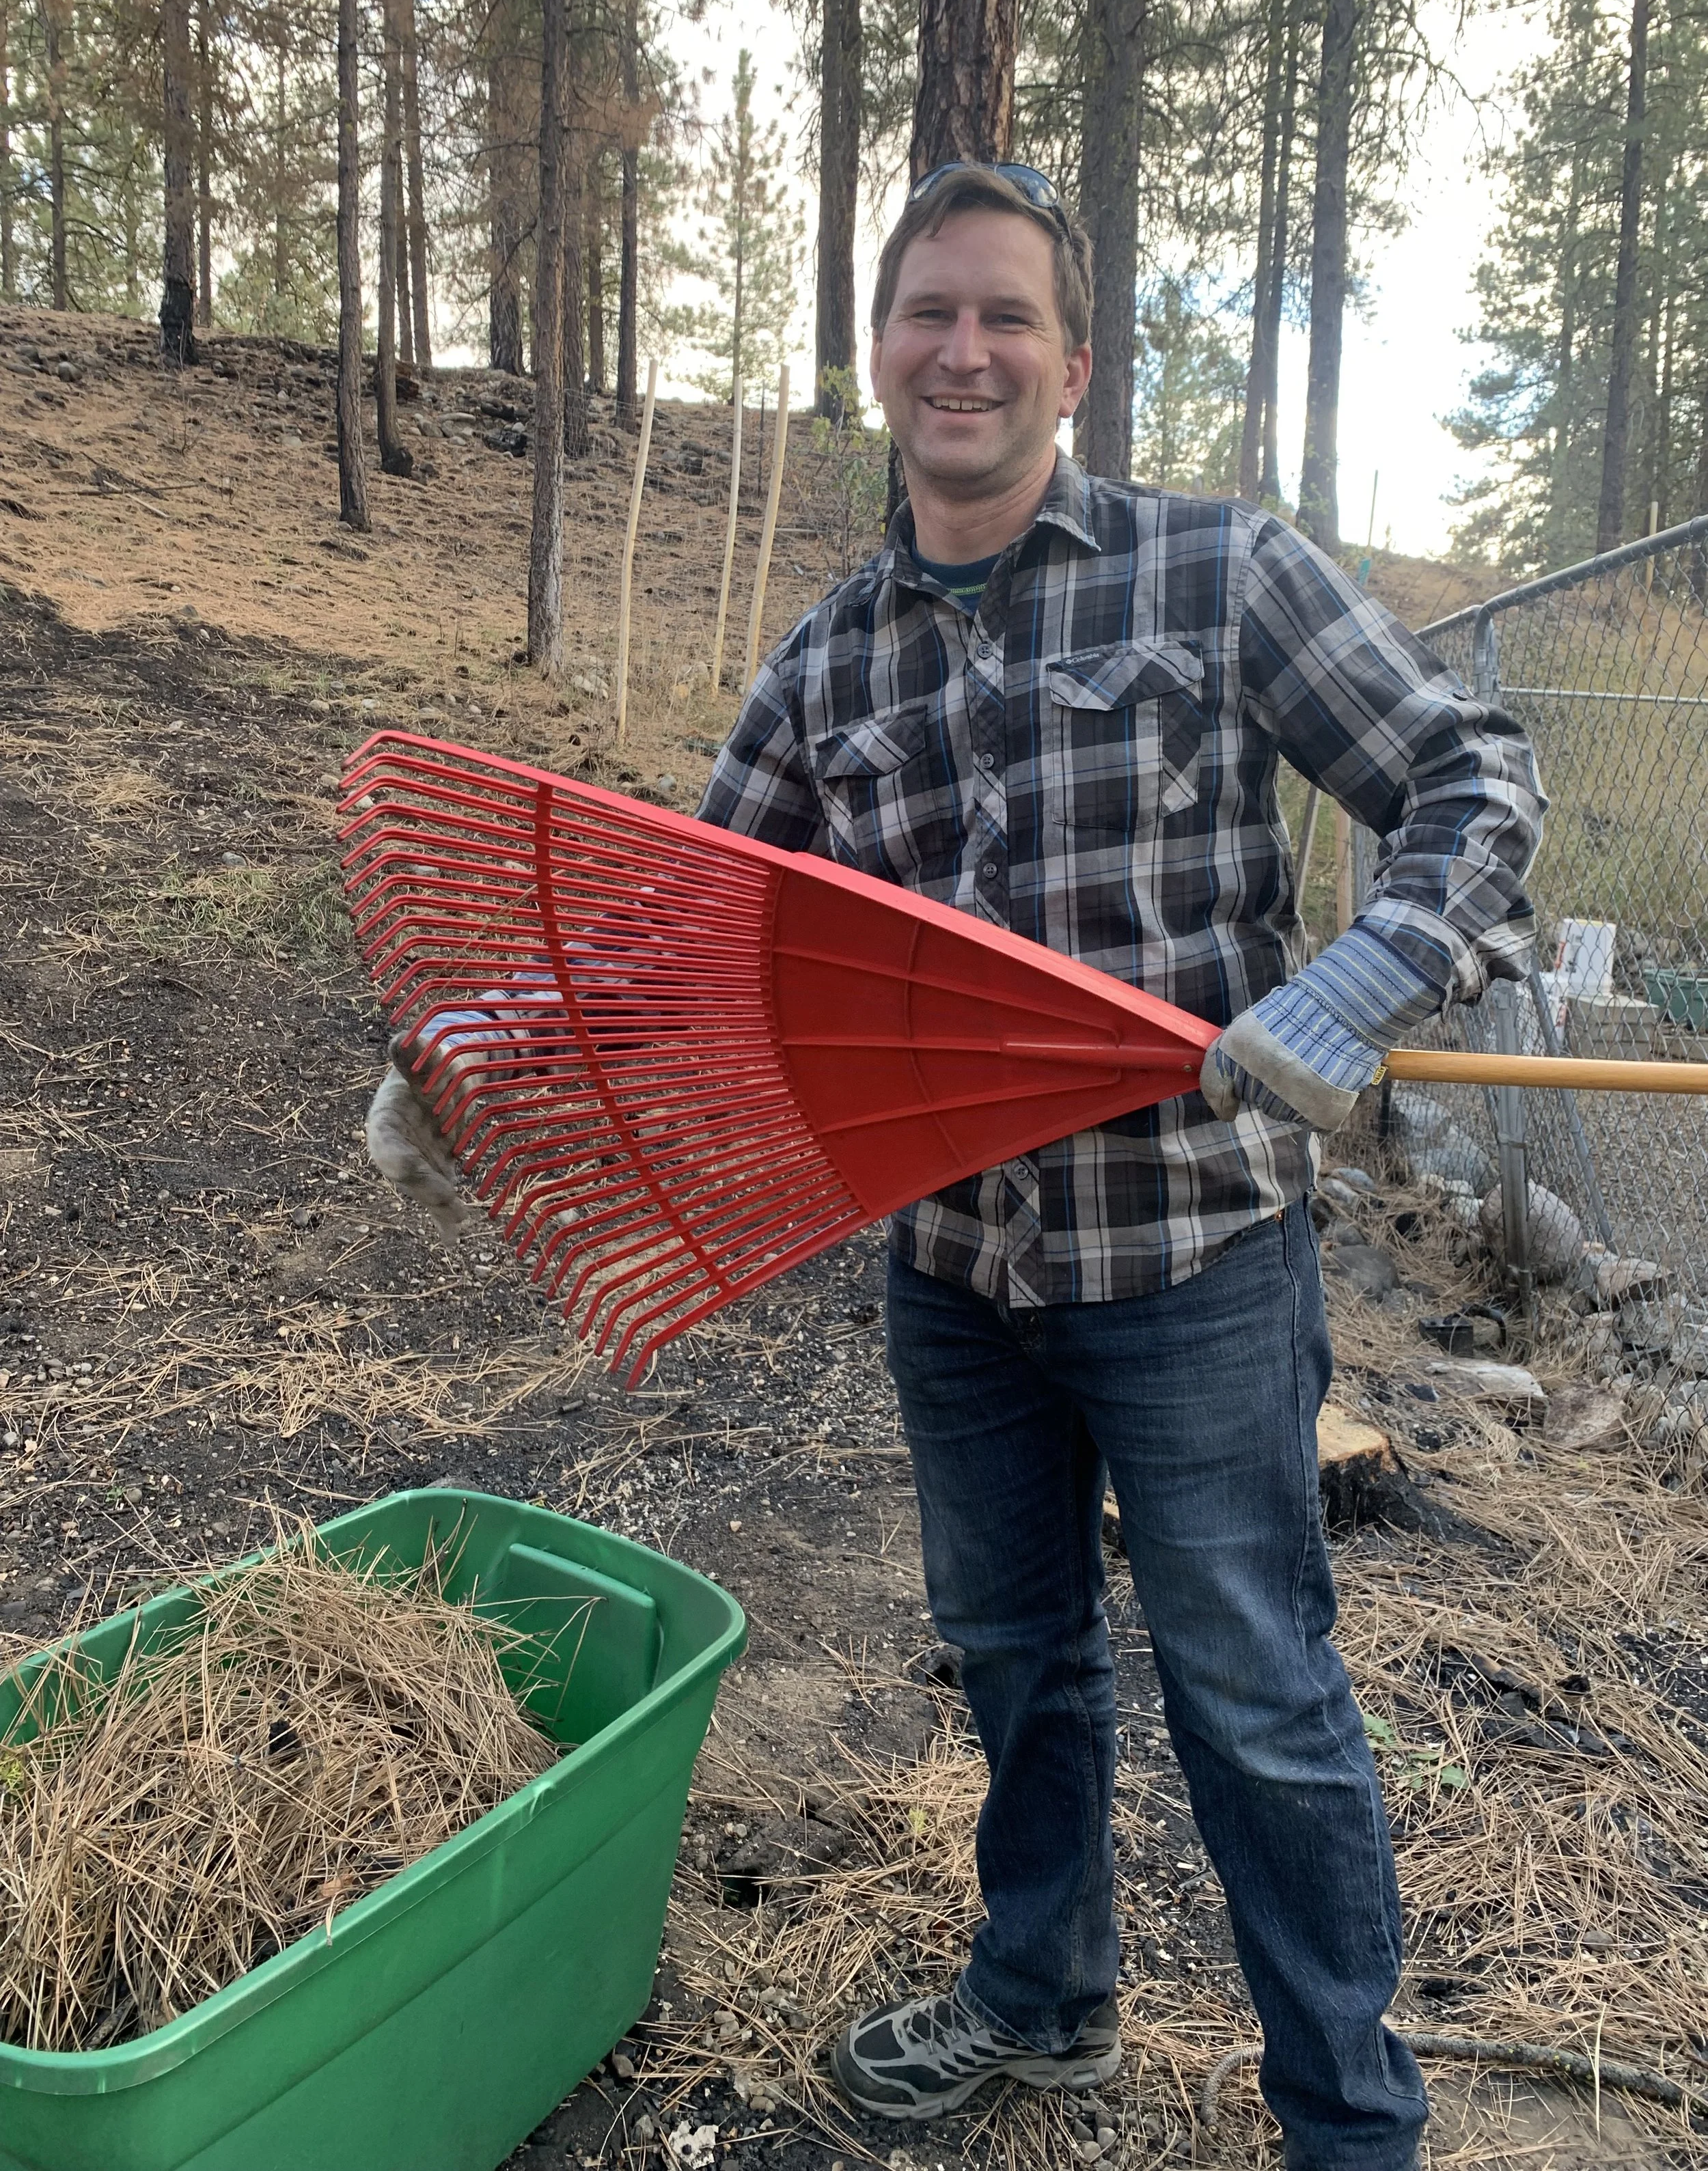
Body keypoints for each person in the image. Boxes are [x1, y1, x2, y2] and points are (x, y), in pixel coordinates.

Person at [368, 164, 1543, 2171]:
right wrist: (481, 1043)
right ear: (878, 355)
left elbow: (1472, 770)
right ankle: (1040, 1996)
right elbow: (694, 926)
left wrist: (1359, 982)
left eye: (1004, 316)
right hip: (958, 1276)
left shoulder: (1215, 572)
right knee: (1014, 1653)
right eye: (928, 313)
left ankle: (1350, 2125)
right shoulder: (832, 661)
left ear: (1072, 365)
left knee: (1253, 1696)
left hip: (1190, 1259)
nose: (963, 349)